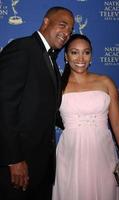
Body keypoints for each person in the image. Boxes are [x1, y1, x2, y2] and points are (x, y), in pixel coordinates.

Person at [0, 6, 74, 200]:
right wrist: (14, 159)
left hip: (41, 166)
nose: (66, 33)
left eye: (70, 30)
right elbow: (4, 106)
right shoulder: (22, 49)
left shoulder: (49, 58)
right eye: (62, 25)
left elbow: (45, 108)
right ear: (46, 22)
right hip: (18, 166)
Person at [52, 34, 119, 200]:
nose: (81, 58)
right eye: (75, 52)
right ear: (66, 56)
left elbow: (117, 123)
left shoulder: (106, 82)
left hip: (103, 152)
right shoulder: (57, 85)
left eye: (86, 52)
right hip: (71, 154)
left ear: (92, 56)